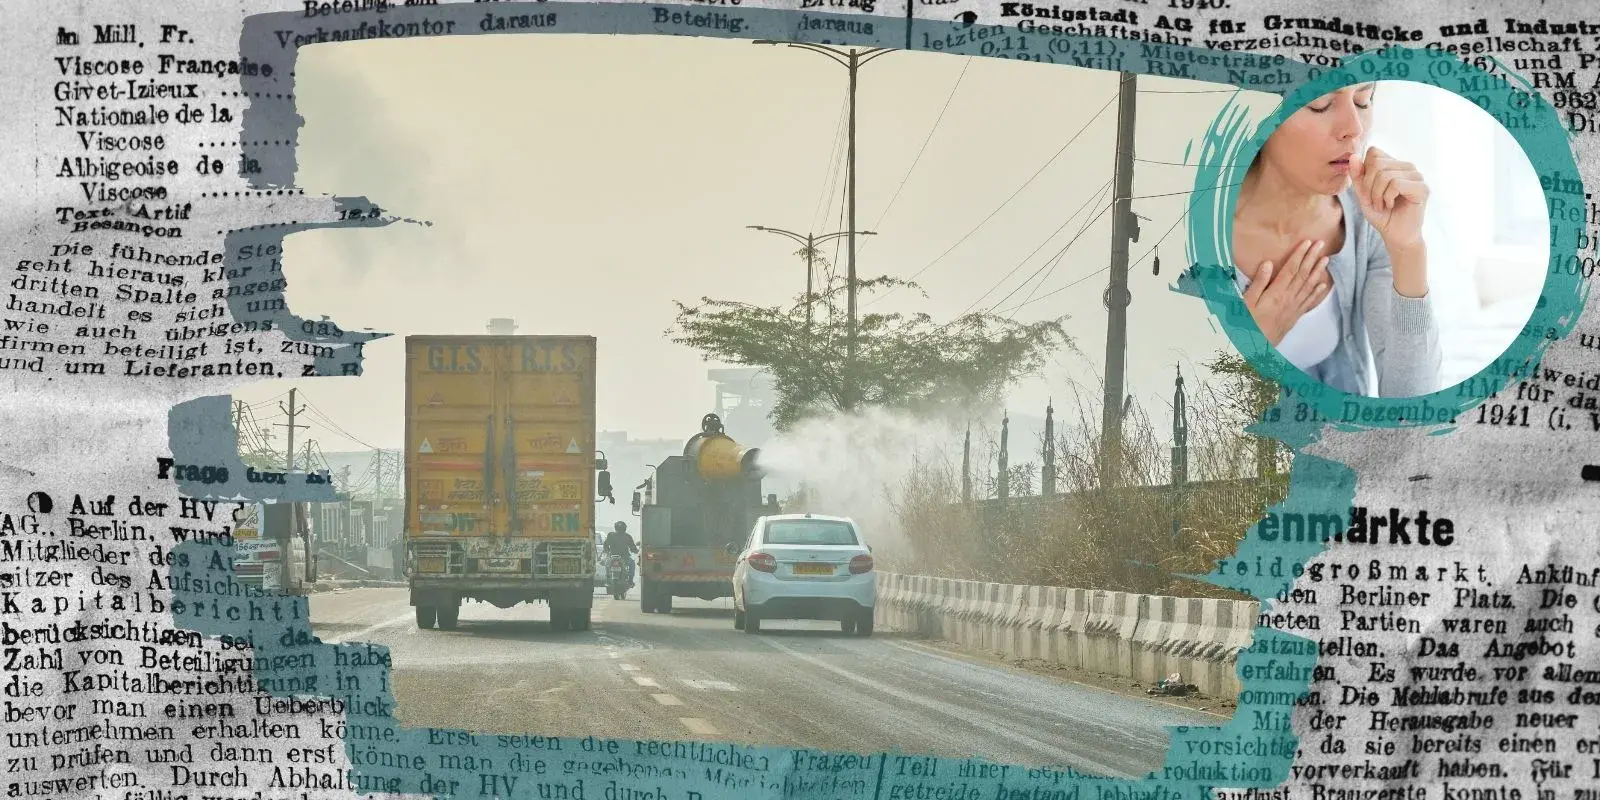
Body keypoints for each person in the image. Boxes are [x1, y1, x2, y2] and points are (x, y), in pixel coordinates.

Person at [1230, 81, 1441, 398]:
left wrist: (1408, 249)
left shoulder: (1368, 217)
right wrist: (1246, 349)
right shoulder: (1188, 239)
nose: (1353, 129)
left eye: (1363, 100)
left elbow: (1412, 409)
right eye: (1320, 103)